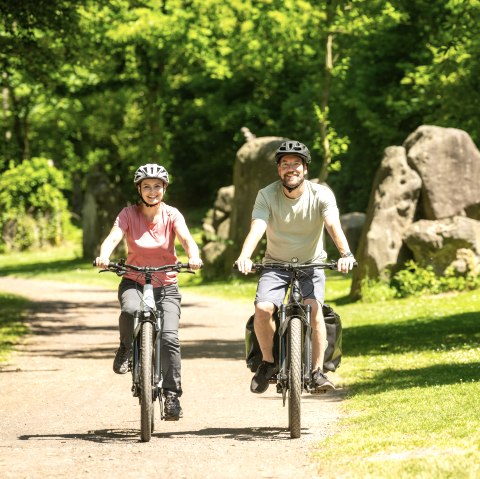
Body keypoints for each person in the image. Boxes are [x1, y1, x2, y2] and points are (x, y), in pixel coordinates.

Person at [235, 140, 356, 394]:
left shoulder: (321, 194)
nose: (291, 168)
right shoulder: (266, 195)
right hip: (275, 265)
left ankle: (317, 371)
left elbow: (333, 225)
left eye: (296, 164)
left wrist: (345, 253)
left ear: (305, 169)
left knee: (314, 310)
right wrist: (245, 256)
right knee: (263, 308)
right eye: (285, 164)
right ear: (279, 169)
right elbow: (257, 228)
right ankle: (268, 363)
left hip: (312, 264)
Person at [95, 163, 202, 420]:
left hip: (166, 284)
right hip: (134, 279)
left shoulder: (172, 214)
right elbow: (114, 236)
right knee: (130, 310)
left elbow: (186, 238)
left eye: (157, 186)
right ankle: (125, 347)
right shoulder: (128, 214)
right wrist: (104, 255)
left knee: (169, 338)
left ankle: (172, 395)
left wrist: (194, 255)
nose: (152, 191)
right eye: (147, 187)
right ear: (139, 190)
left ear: (164, 188)